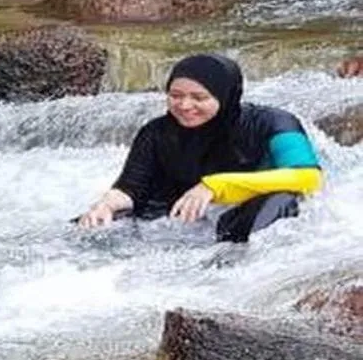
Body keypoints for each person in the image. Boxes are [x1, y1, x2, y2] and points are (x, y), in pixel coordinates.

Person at [78, 53, 322, 242]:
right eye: (175, 95)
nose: (184, 105)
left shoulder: (275, 123)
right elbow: (131, 189)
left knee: (282, 199)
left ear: (225, 96)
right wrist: (106, 205)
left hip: (244, 219)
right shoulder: (155, 132)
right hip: (177, 225)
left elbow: (308, 177)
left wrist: (215, 186)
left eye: (199, 98)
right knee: (94, 225)